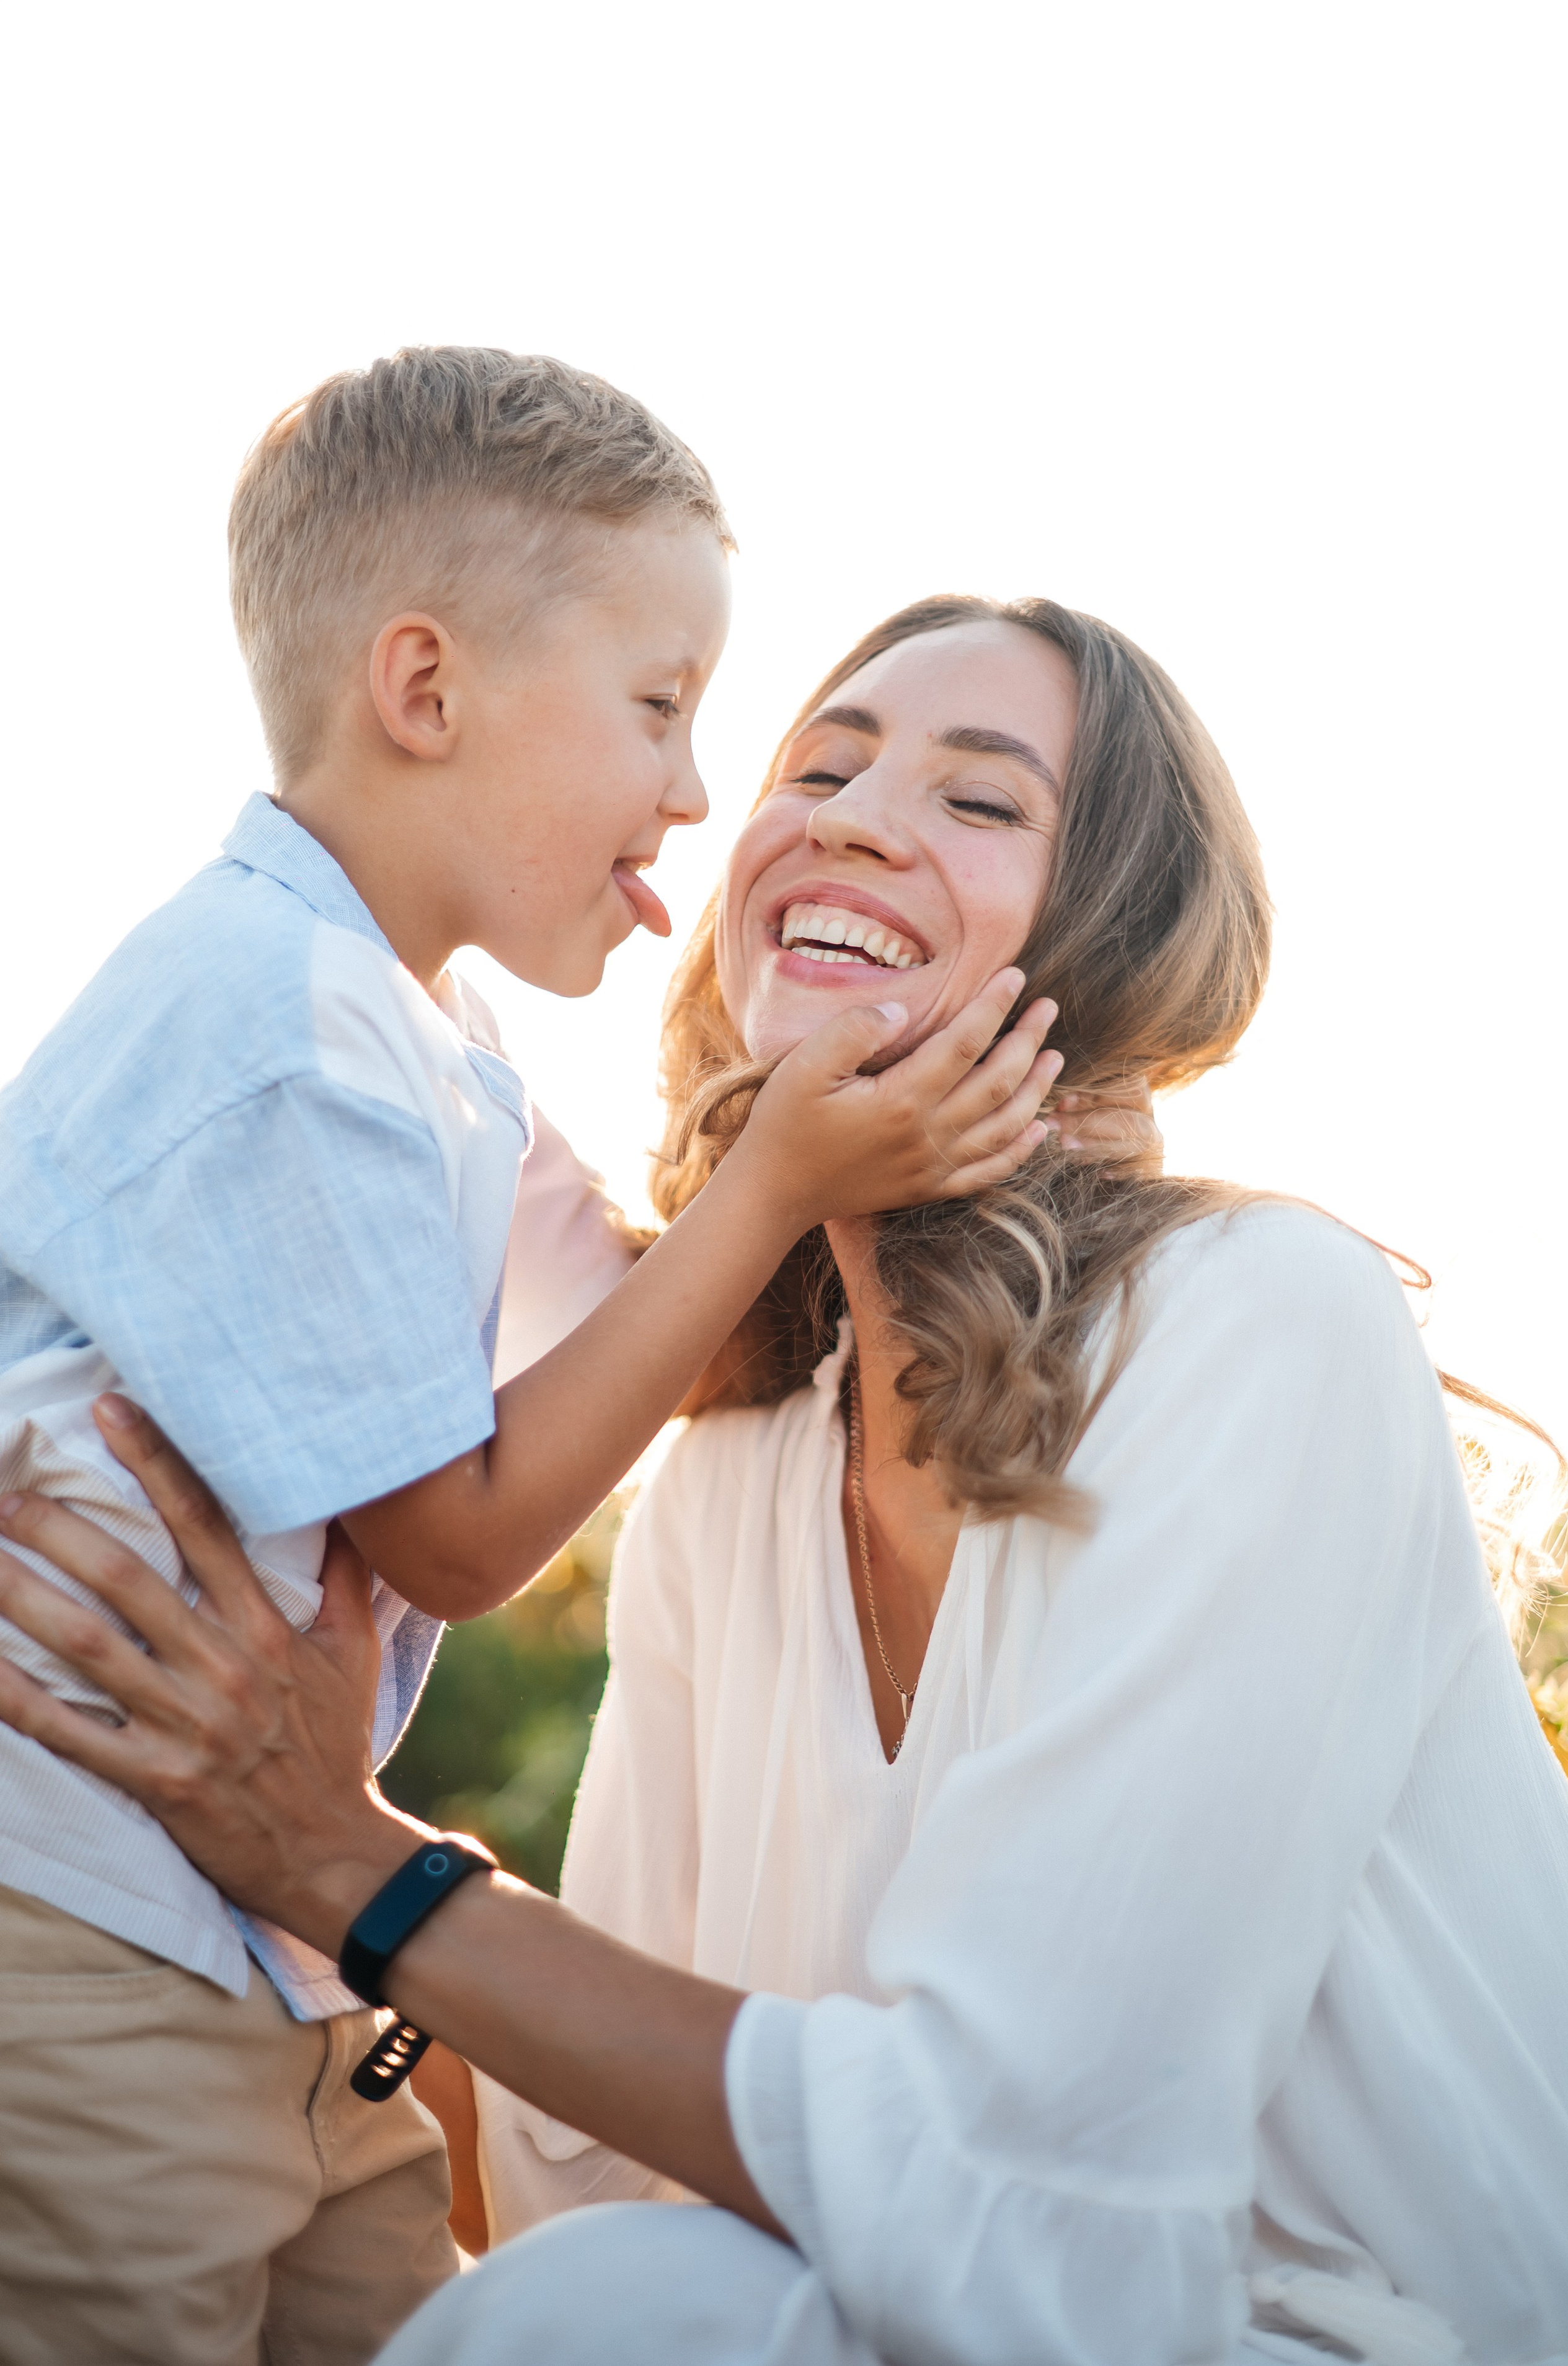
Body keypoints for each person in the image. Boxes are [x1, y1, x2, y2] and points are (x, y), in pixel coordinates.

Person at [2, 594, 1568, 2366]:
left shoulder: (1263, 1325)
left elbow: (1035, 2205)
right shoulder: (731, 1472)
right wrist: (196, 1978)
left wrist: (338, 1854)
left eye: (981, 802)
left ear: (1120, 932)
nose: (844, 812)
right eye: (818, 767)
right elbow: (581, 2169)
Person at [0, 349, 1058, 2366]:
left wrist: (870, 1151)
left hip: (242, 1950)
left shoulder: (427, 1033)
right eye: (661, 708)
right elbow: (464, 1533)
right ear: (427, 692)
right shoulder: (273, 1019)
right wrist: (775, 1182)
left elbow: (665, 1305)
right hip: (72, 1939)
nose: (690, 789)